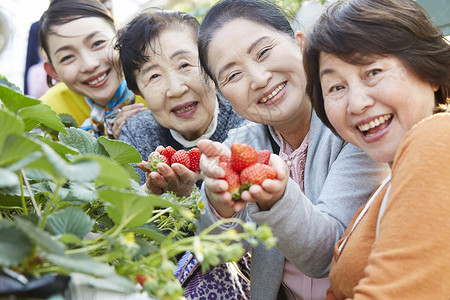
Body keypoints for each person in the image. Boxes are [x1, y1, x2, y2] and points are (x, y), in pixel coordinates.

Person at [195, 0, 390, 299]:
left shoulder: (354, 125)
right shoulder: (238, 146)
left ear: (300, 44)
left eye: (263, 52)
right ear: (224, 97)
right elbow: (218, 253)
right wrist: (218, 205)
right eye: (233, 75)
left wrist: (276, 200)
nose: (259, 79)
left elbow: (326, 254)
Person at [302, 0, 450, 298]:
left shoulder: (437, 136)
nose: (357, 103)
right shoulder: (385, 186)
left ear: (429, 71)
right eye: (336, 88)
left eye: (373, 72)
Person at [114, 9, 246, 194]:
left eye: (184, 65)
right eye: (154, 76)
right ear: (139, 92)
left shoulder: (245, 112)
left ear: (210, 64)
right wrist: (152, 194)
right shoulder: (139, 132)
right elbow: (112, 213)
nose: (176, 89)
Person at [38, 0, 147, 138]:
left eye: (98, 43)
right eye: (67, 57)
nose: (89, 65)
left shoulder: (158, 88)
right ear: (53, 71)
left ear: (120, 38)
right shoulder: (48, 114)